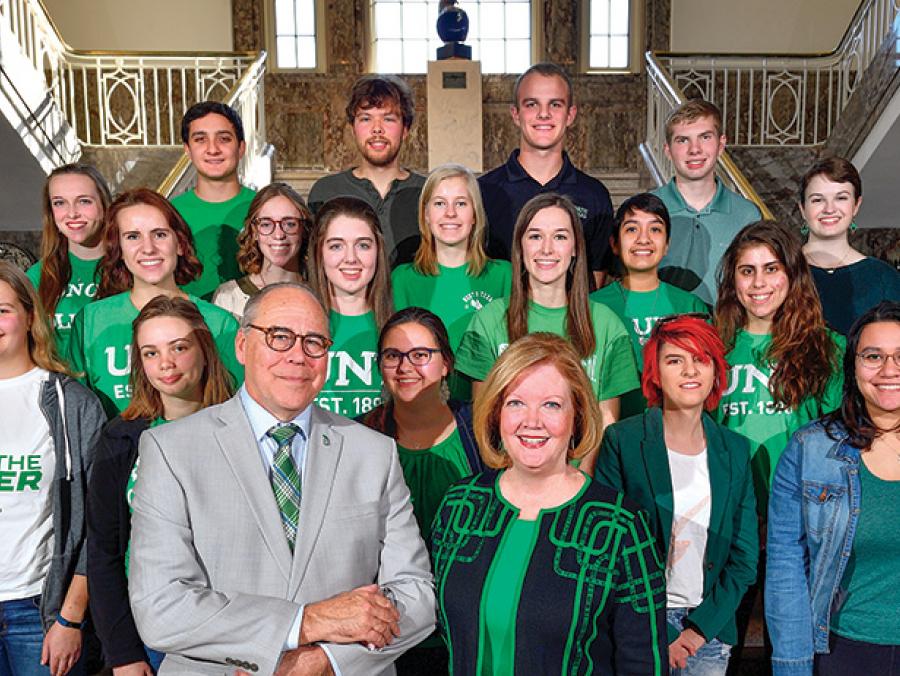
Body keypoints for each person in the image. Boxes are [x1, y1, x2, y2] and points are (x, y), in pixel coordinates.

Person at [129, 282, 435, 675]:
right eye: (279, 337)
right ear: (242, 346)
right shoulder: (170, 450)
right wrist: (306, 622)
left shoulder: (374, 452)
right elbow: (161, 607)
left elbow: (416, 595)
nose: (297, 356)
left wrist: (327, 661)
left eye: (314, 342)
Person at [432, 332, 667, 675]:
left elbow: (645, 664)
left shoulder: (621, 525)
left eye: (552, 404)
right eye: (516, 402)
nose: (532, 421)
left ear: (578, 415)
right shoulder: (459, 507)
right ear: (496, 412)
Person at [596, 315, 758, 675]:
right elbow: (609, 552)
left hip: (709, 630)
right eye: (675, 360)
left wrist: (697, 631)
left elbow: (744, 559)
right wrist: (663, 631)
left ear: (716, 372)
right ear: (655, 371)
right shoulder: (622, 442)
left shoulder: (735, 450)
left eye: (700, 359)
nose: (690, 371)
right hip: (636, 625)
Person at [87, 296, 234, 675]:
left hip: (229, 633)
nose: (165, 364)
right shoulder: (121, 439)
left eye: (179, 348)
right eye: (150, 353)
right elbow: (104, 552)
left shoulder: (244, 429)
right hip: (148, 637)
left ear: (204, 350)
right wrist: (123, 653)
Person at [455, 193, 638, 472]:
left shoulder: (607, 324)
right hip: (506, 482)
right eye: (535, 236)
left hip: (578, 486)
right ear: (520, 246)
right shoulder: (487, 321)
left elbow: (605, 423)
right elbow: (482, 419)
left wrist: (580, 485)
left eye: (561, 237)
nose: (547, 249)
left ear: (576, 247)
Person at [766, 301, 900, 675]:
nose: (889, 370)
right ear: (853, 366)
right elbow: (786, 567)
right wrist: (792, 664)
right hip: (844, 651)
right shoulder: (812, 449)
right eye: (873, 356)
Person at [360, 307, 484, 674]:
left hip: (467, 628)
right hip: (387, 634)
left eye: (420, 355)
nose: (405, 366)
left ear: (446, 363)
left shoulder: (483, 434)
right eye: (393, 356)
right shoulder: (360, 437)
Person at [0, 262, 105, 676]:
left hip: (38, 614)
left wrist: (70, 618)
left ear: (29, 316)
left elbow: (99, 525)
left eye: (3, 310)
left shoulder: (70, 403)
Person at [68, 189, 242, 416]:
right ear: (118, 249)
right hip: (113, 450)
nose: (148, 248)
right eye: (132, 237)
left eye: (159, 234)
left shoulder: (219, 323)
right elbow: (75, 412)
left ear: (179, 244)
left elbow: (235, 411)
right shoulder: (90, 322)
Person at [715, 220, 844, 503]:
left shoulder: (829, 347)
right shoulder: (713, 347)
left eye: (771, 269)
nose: (759, 283)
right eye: (747, 271)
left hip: (804, 509)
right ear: (732, 279)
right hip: (732, 509)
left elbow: (839, 443)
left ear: (792, 274)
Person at [478, 62, 614, 288]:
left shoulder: (593, 195)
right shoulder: (484, 192)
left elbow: (595, 279)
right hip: (502, 320)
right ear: (515, 114)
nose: (543, 114)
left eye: (555, 104)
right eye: (532, 104)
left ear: (570, 115)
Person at [391, 164, 511, 399]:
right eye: (439, 203)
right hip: (423, 407)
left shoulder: (503, 275)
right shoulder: (403, 279)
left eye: (461, 203)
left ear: (475, 214)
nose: (450, 213)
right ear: (426, 214)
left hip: (487, 404)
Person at [591, 193, 708, 418]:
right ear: (614, 243)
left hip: (677, 432)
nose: (643, 239)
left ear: (667, 245)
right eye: (632, 229)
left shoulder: (690, 306)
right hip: (611, 431)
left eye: (655, 230)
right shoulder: (594, 306)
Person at [307, 75, 424, 267]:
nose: (377, 129)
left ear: (405, 129)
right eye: (366, 119)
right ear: (353, 128)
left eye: (388, 119)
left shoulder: (428, 194)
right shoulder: (326, 191)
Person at [653, 100, 762, 305]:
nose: (695, 149)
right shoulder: (645, 210)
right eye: (683, 140)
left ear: (721, 144)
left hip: (725, 332)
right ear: (668, 150)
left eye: (705, 137)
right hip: (662, 331)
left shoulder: (747, 215)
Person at [308, 196, 392, 418]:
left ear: (378, 251)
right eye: (336, 246)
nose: (351, 258)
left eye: (363, 245)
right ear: (319, 252)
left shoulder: (399, 327)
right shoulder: (298, 325)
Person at [798, 156, 900, 336]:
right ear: (802, 209)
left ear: (856, 205)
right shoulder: (780, 271)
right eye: (817, 200)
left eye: (841, 198)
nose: (829, 209)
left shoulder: (885, 278)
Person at [171, 101, 255, 300]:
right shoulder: (170, 213)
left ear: (241, 148)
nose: (213, 149)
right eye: (200, 139)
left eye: (224, 139)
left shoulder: (262, 208)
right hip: (188, 321)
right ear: (187, 150)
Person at [26, 164, 112, 357]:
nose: (72, 213)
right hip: (58, 384)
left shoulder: (131, 269)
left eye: (84, 201)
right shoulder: (36, 277)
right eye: (59, 203)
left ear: (104, 205)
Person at [212, 182, 311, 318]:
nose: (278, 235)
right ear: (254, 231)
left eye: (289, 224)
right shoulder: (228, 298)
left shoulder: (321, 294)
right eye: (266, 224)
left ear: (303, 230)